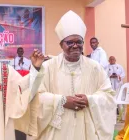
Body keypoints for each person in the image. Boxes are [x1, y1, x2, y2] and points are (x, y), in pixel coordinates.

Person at [25, 10, 116, 140]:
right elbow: (35, 97)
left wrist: (89, 100)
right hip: (56, 132)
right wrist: (62, 101)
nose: (75, 46)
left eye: (79, 42)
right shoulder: (48, 67)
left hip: (86, 131)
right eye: (70, 42)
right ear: (61, 45)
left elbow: (109, 96)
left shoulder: (95, 68)